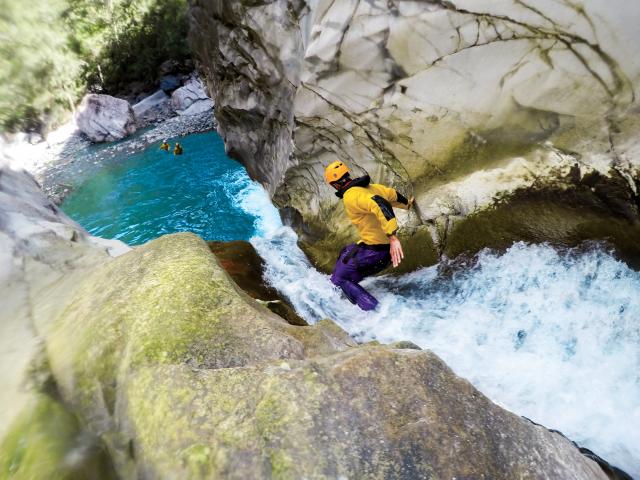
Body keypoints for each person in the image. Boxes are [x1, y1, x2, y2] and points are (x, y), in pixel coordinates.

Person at [325, 160, 413, 311]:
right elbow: (392, 195)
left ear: (336, 185)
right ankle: (350, 291)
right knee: (346, 252)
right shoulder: (370, 187)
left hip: (377, 253)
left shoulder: (351, 196)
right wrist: (407, 205)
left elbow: (380, 203)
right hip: (377, 250)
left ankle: (374, 311)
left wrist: (392, 236)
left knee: (338, 278)